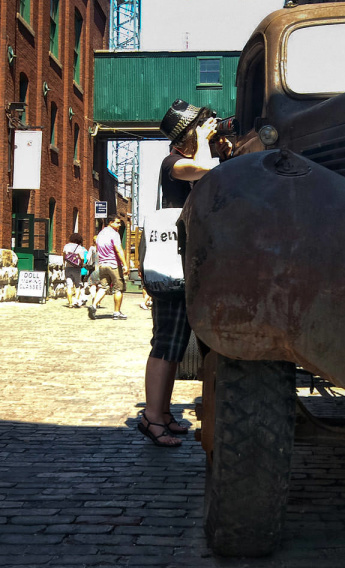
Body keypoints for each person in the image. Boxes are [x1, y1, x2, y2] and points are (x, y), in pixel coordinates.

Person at [138, 98, 233, 447]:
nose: (206, 131)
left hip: (187, 263)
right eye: (199, 128)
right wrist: (208, 144)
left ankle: (162, 414)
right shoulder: (172, 163)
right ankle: (151, 417)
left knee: (177, 345)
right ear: (184, 138)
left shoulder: (189, 159)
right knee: (165, 342)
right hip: (172, 265)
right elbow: (208, 176)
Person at [88, 215, 129, 320]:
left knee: (103, 287)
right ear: (111, 222)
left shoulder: (100, 234)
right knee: (118, 288)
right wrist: (125, 264)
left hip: (103, 264)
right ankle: (116, 312)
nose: (119, 225)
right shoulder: (114, 234)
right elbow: (118, 249)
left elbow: (98, 251)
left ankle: (93, 306)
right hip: (114, 264)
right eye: (117, 222)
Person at [62, 233, 87, 308]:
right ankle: (76, 301)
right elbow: (82, 258)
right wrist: (81, 264)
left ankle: (70, 303)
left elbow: (64, 256)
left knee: (69, 286)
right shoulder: (79, 248)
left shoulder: (66, 246)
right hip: (76, 268)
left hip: (68, 267)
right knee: (77, 285)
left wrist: (64, 264)